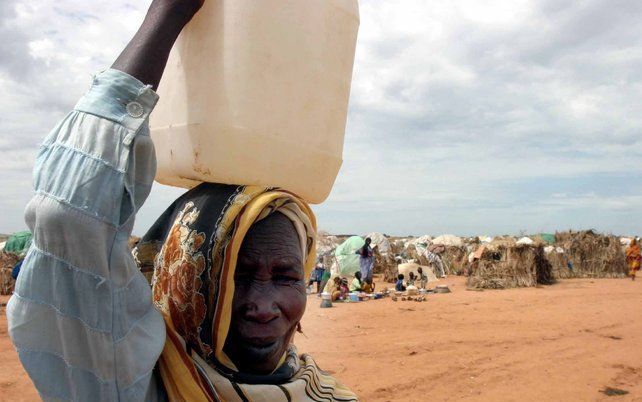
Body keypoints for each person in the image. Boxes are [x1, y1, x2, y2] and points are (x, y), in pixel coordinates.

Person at [6, 1, 358, 401]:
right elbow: (69, 220)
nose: (262, 306)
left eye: (286, 276)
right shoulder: (129, 382)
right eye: (234, 278)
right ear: (184, 279)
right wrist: (166, 17)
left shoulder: (319, 391)